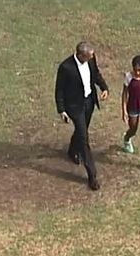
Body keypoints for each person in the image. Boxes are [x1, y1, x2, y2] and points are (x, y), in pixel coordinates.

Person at [55, 41, 109, 190]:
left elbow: (96, 74)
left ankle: (73, 150)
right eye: (88, 56)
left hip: (89, 102)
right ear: (80, 55)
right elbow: (59, 90)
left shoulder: (91, 60)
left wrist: (104, 87)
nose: (91, 58)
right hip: (74, 106)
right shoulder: (66, 67)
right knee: (84, 138)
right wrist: (61, 110)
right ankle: (92, 175)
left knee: (81, 131)